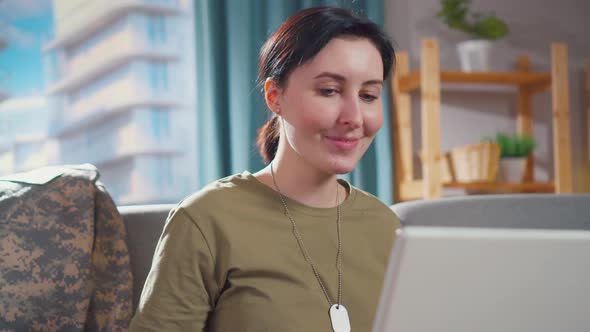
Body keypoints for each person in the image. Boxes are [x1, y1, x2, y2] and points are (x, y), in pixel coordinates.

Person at [129, 6, 400, 332]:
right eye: (329, 90)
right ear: (275, 97)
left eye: (369, 95)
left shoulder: (389, 229)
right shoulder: (207, 219)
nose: (354, 118)